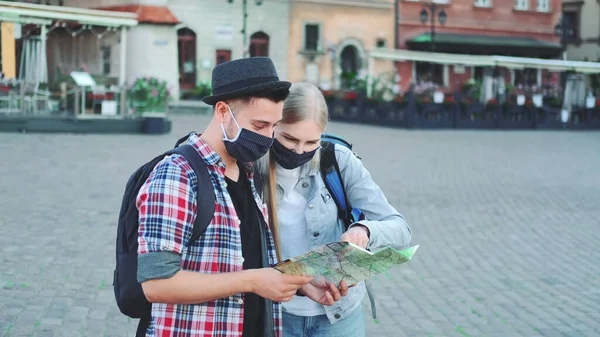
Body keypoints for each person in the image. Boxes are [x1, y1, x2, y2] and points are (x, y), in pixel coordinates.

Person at [136, 58, 313, 337]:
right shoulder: (177, 174)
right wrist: (253, 281)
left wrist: (299, 283)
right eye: (259, 124)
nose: (267, 138)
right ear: (222, 111)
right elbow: (156, 284)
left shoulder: (246, 170)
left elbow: (244, 259)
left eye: (273, 126)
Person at [256, 83, 412, 337]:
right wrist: (297, 281)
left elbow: (400, 228)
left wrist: (364, 230)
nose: (299, 150)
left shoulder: (338, 160)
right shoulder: (251, 167)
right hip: (276, 317)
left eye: (311, 142)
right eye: (290, 138)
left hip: (339, 319)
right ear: (274, 126)